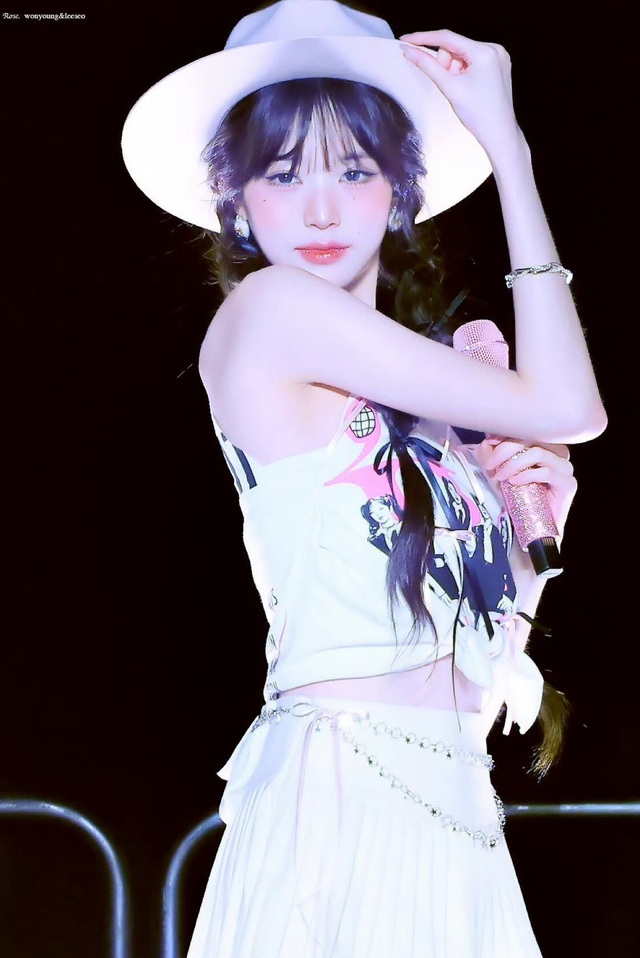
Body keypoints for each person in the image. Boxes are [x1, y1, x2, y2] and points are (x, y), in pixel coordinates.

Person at [121, 2, 607, 955]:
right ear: (233, 197)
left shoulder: (431, 406)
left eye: (353, 170)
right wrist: (509, 151)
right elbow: (571, 406)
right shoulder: (269, 313)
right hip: (337, 810)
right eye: (283, 172)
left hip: (455, 816)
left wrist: (532, 544)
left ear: (399, 190)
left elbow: (477, 665)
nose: (320, 209)